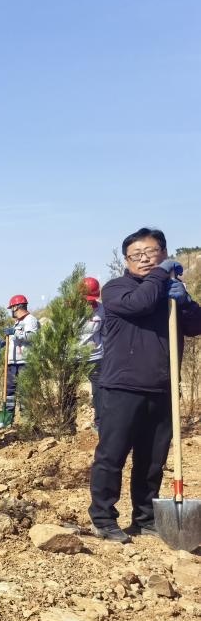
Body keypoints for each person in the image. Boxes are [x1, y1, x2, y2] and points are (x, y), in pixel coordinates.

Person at [88, 229, 201, 543]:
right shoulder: (116, 289)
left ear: (164, 252)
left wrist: (187, 303)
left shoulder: (170, 293)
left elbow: (195, 327)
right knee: (112, 455)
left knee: (152, 461)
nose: (144, 260)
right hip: (121, 386)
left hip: (162, 388)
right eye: (136, 255)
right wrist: (162, 277)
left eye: (151, 253)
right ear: (126, 260)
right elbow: (139, 304)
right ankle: (103, 517)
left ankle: (146, 518)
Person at [2, 295, 41, 424]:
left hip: (25, 362)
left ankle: (27, 421)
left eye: (12, 307)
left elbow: (33, 337)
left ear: (16, 306)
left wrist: (15, 333)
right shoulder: (17, 322)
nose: (11, 310)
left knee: (25, 392)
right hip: (13, 363)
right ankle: (8, 419)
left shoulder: (31, 320)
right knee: (9, 392)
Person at [79, 276, 104, 432]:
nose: (89, 302)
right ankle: (67, 425)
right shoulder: (69, 310)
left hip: (96, 356)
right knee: (67, 391)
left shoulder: (102, 310)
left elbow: (106, 332)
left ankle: (100, 423)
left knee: (99, 390)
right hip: (74, 357)